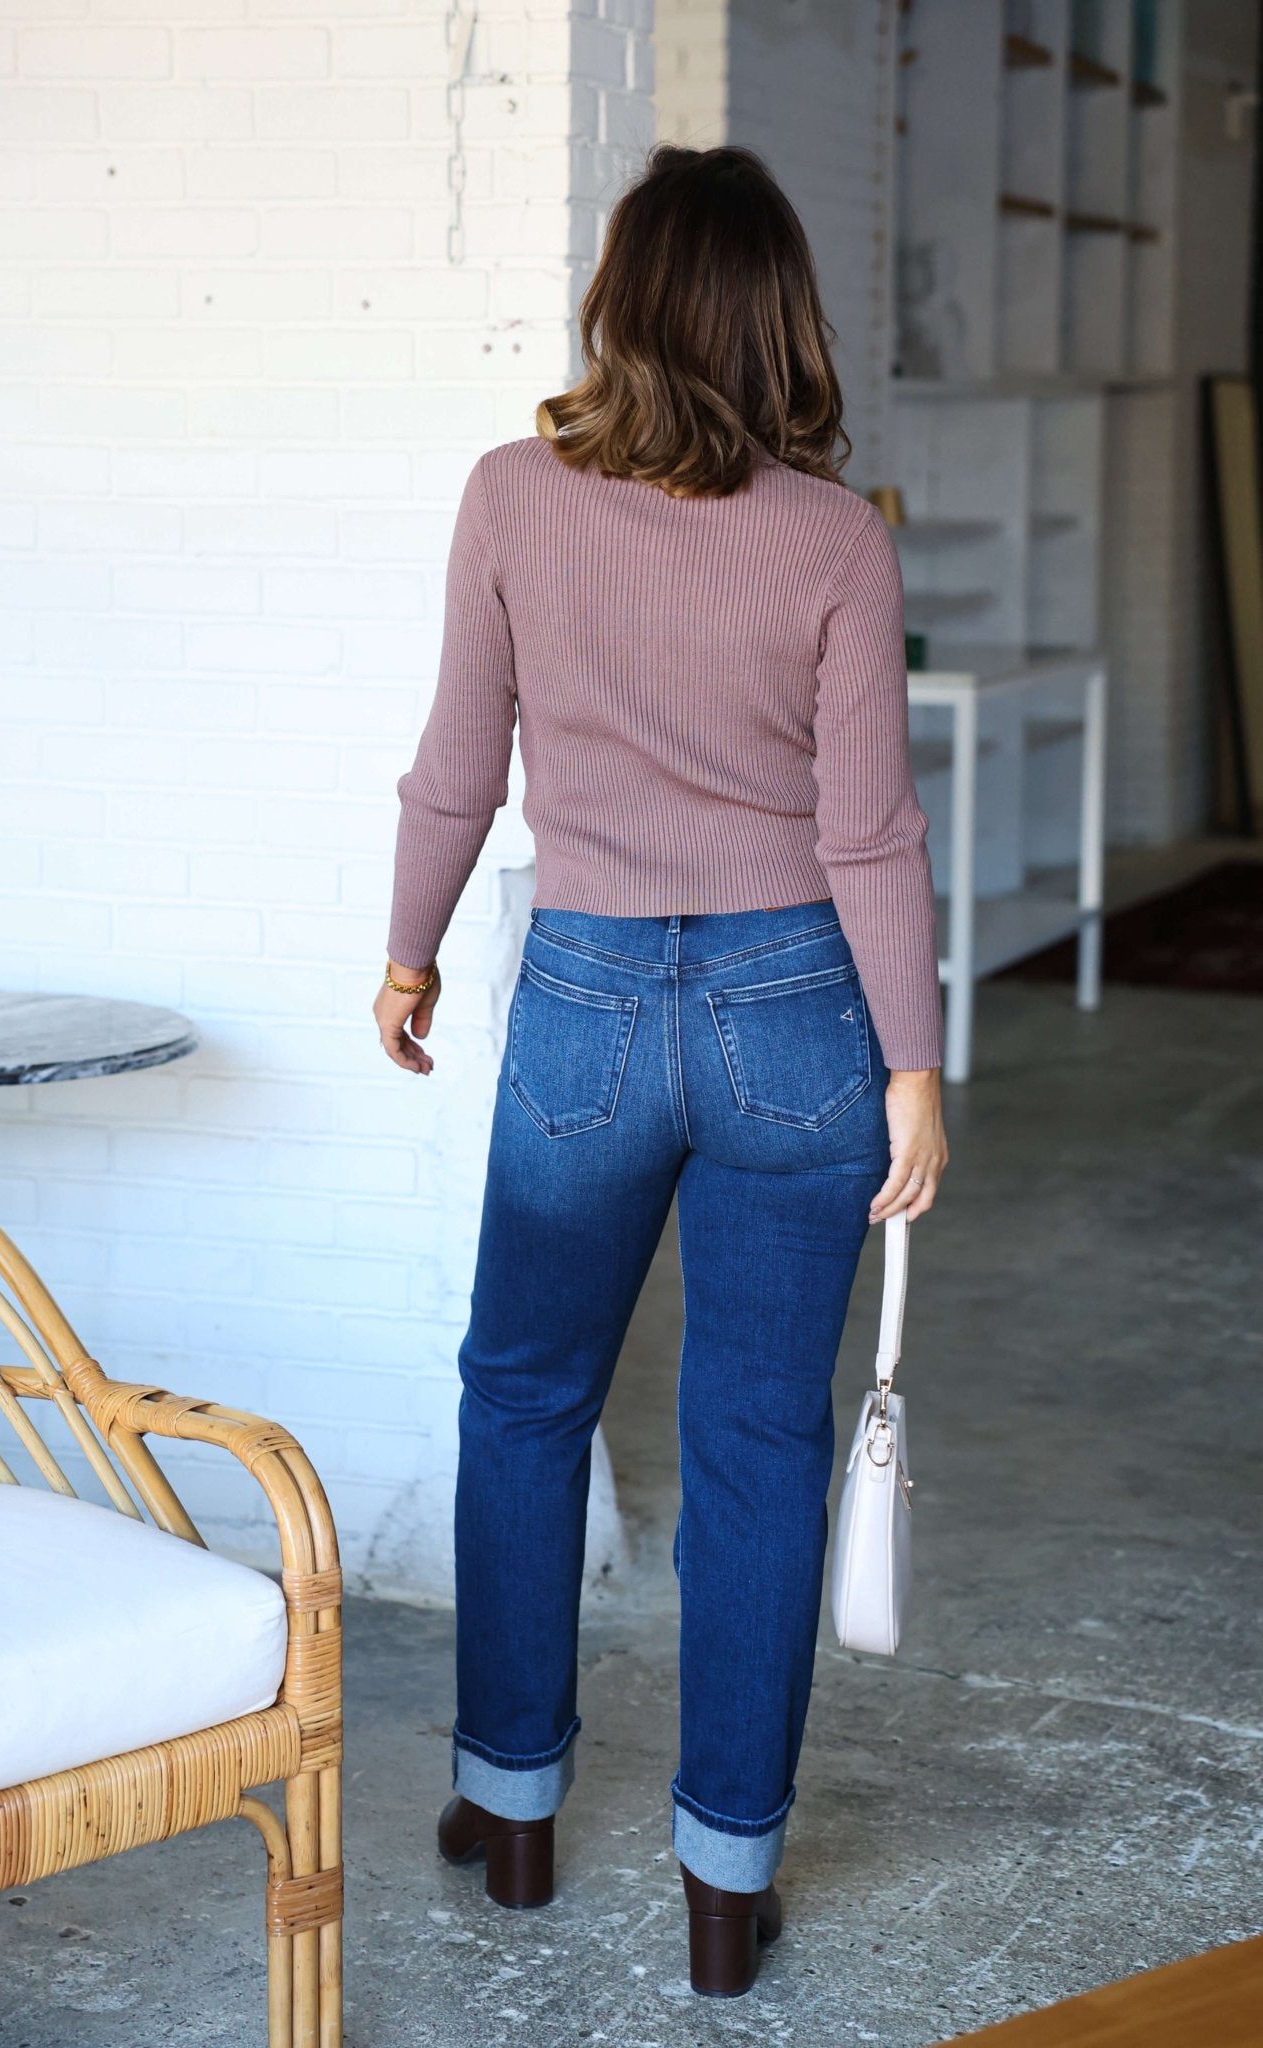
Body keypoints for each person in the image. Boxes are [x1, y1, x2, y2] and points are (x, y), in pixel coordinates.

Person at [373, 141, 948, 1998]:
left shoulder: (511, 496)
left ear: (618, 303)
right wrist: (914, 1069)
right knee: (758, 1440)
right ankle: (723, 1887)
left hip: (587, 1006)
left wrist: (408, 950)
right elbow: (869, 833)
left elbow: (456, 763)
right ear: (780, 316)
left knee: (524, 1396)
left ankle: (510, 1811)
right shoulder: (833, 537)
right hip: (796, 1013)